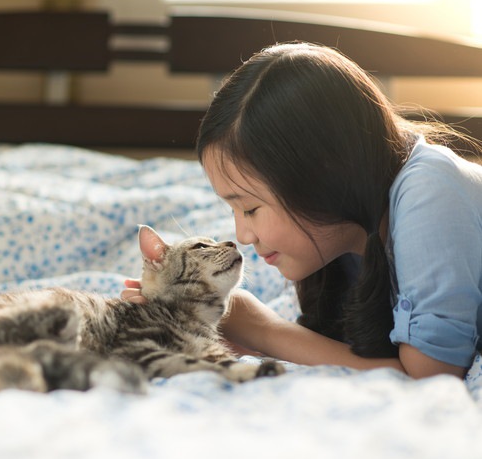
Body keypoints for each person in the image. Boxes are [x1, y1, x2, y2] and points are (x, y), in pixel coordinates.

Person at [122, 42, 482, 379]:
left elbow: (430, 377)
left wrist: (261, 328)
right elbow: (362, 355)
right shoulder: (348, 235)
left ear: (323, 177)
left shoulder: (430, 194)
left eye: (249, 208)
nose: (243, 237)